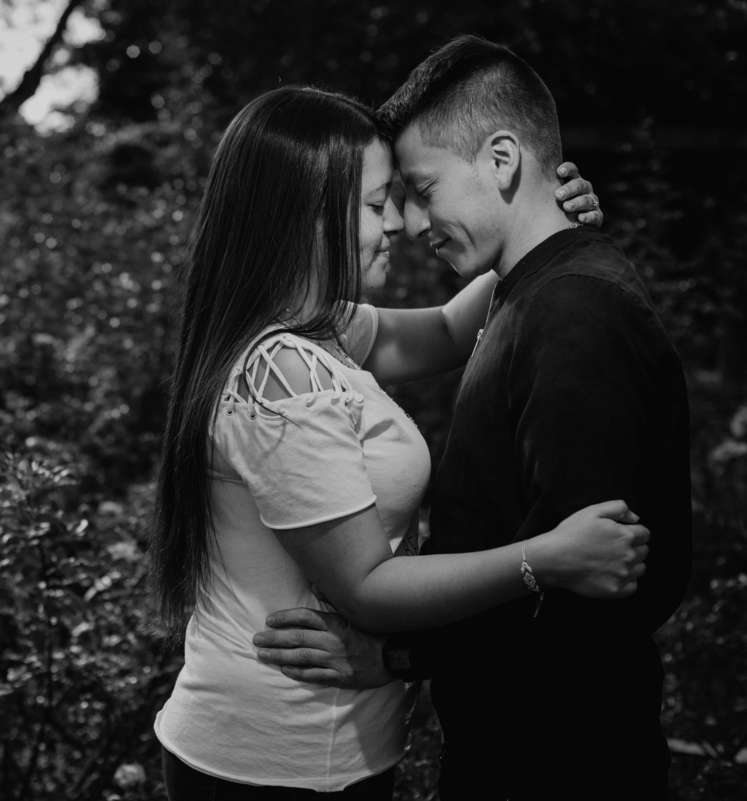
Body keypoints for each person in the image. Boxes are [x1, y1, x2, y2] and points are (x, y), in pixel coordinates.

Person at [151, 84, 648, 800]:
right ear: (305, 215)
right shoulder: (282, 376)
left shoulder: (319, 332)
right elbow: (369, 591)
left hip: (326, 746)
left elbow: (447, 330)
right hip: (275, 762)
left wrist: (539, 224)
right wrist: (547, 558)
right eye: (377, 202)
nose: (398, 223)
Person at [254, 37, 691, 800]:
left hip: (558, 760)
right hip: (511, 746)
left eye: (422, 189)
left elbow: (583, 594)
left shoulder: (573, 313)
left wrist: (399, 657)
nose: (410, 221)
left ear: (501, 159)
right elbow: (442, 330)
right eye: (391, 200)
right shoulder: (528, 291)